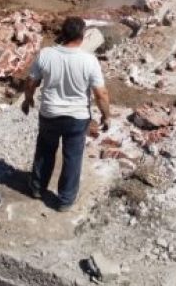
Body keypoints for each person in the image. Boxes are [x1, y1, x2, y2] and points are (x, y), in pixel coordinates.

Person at [21, 16, 111, 212]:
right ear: (83, 36)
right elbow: (101, 94)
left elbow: (30, 82)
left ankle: (37, 188)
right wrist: (106, 115)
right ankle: (65, 200)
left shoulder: (46, 54)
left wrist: (28, 100)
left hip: (50, 113)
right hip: (77, 118)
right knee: (72, 157)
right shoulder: (89, 60)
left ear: (63, 33)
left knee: (45, 150)